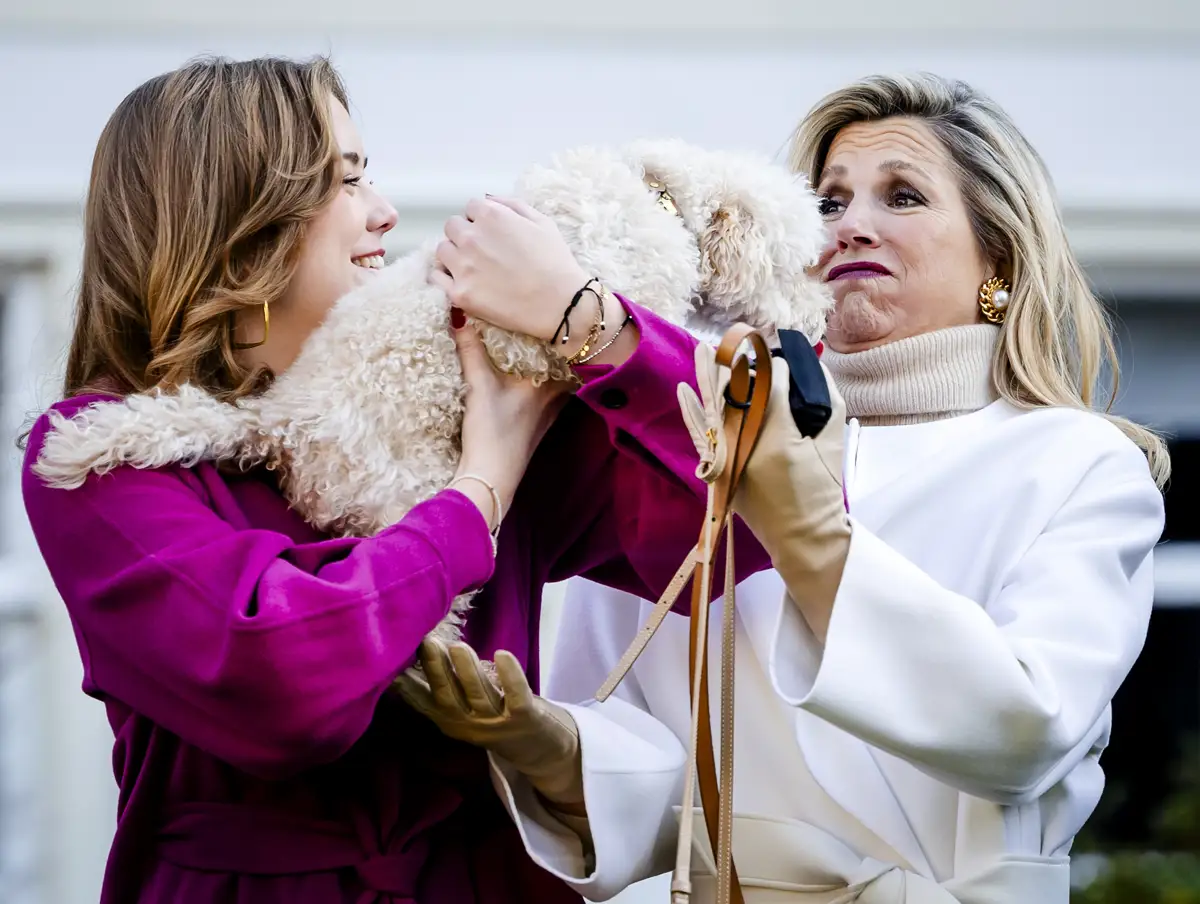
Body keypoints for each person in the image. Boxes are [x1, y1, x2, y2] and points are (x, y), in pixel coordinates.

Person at [403, 73, 1170, 903]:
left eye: (903, 196)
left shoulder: (1077, 462)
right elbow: (665, 777)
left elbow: (1027, 727)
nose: (850, 227)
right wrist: (562, 750)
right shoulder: (687, 434)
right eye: (830, 202)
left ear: (1001, 259)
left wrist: (813, 539)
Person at [19, 56, 768, 904]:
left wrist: (589, 322)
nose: (383, 213)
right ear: (240, 224)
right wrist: (480, 489)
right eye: (343, 183)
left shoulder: (469, 396)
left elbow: (748, 530)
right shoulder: (97, 459)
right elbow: (283, 681)